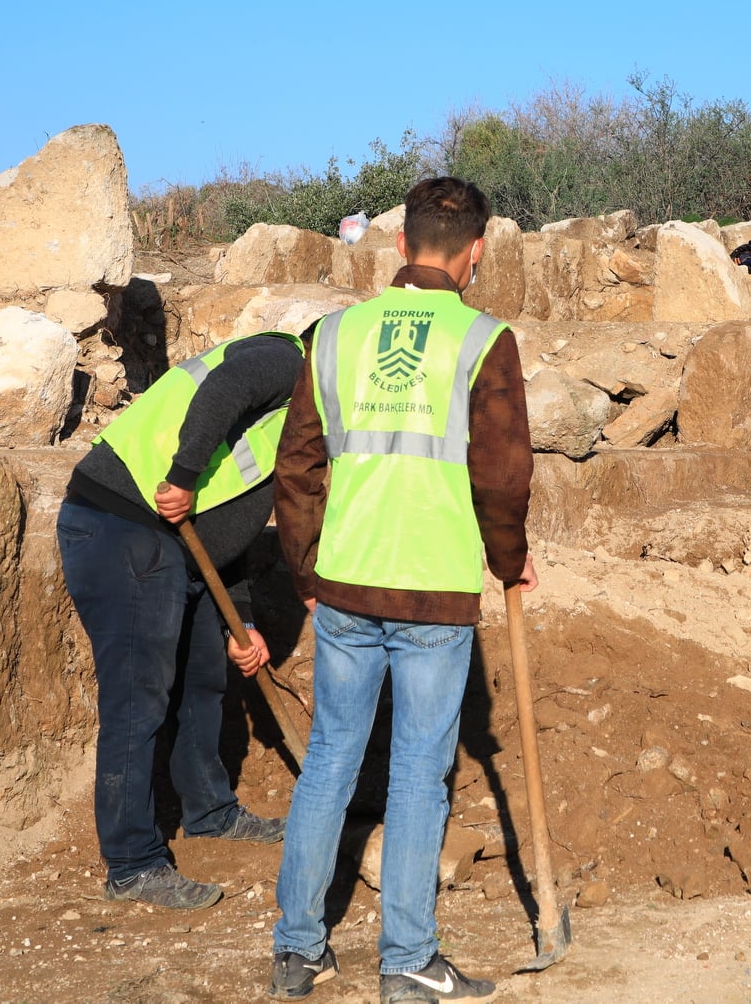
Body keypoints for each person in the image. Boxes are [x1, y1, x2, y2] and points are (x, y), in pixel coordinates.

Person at [270, 176, 535, 1002]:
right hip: (433, 592)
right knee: (421, 774)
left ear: (400, 245)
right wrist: (508, 558)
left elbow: (297, 465)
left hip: (347, 583)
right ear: (477, 250)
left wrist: (308, 569)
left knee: (328, 763)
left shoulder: (335, 333)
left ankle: (297, 949)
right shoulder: (483, 340)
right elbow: (501, 475)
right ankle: (409, 961)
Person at [58, 330, 306, 908]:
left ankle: (209, 810)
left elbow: (232, 521)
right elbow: (225, 387)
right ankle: (132, 863)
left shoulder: (297, 423)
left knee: (203, 680)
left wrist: (238, 622)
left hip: (179, 545)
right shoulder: (284, 359)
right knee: (138, 697)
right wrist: (185, 475)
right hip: (123, 526)